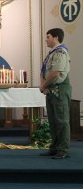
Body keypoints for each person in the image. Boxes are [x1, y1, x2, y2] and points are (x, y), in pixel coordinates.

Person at [39, 28, 71, 159]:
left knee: (61, 120)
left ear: (56, 37)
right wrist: (45, 86)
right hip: (51, 88)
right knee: (53, 121)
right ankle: (55, 147)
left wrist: (43, 85)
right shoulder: (51, 53)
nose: (46, 39)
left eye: (48, 36)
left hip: (59, 89)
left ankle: (63, 149)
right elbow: (44, 72)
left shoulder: (60, 52)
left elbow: (55, 73)